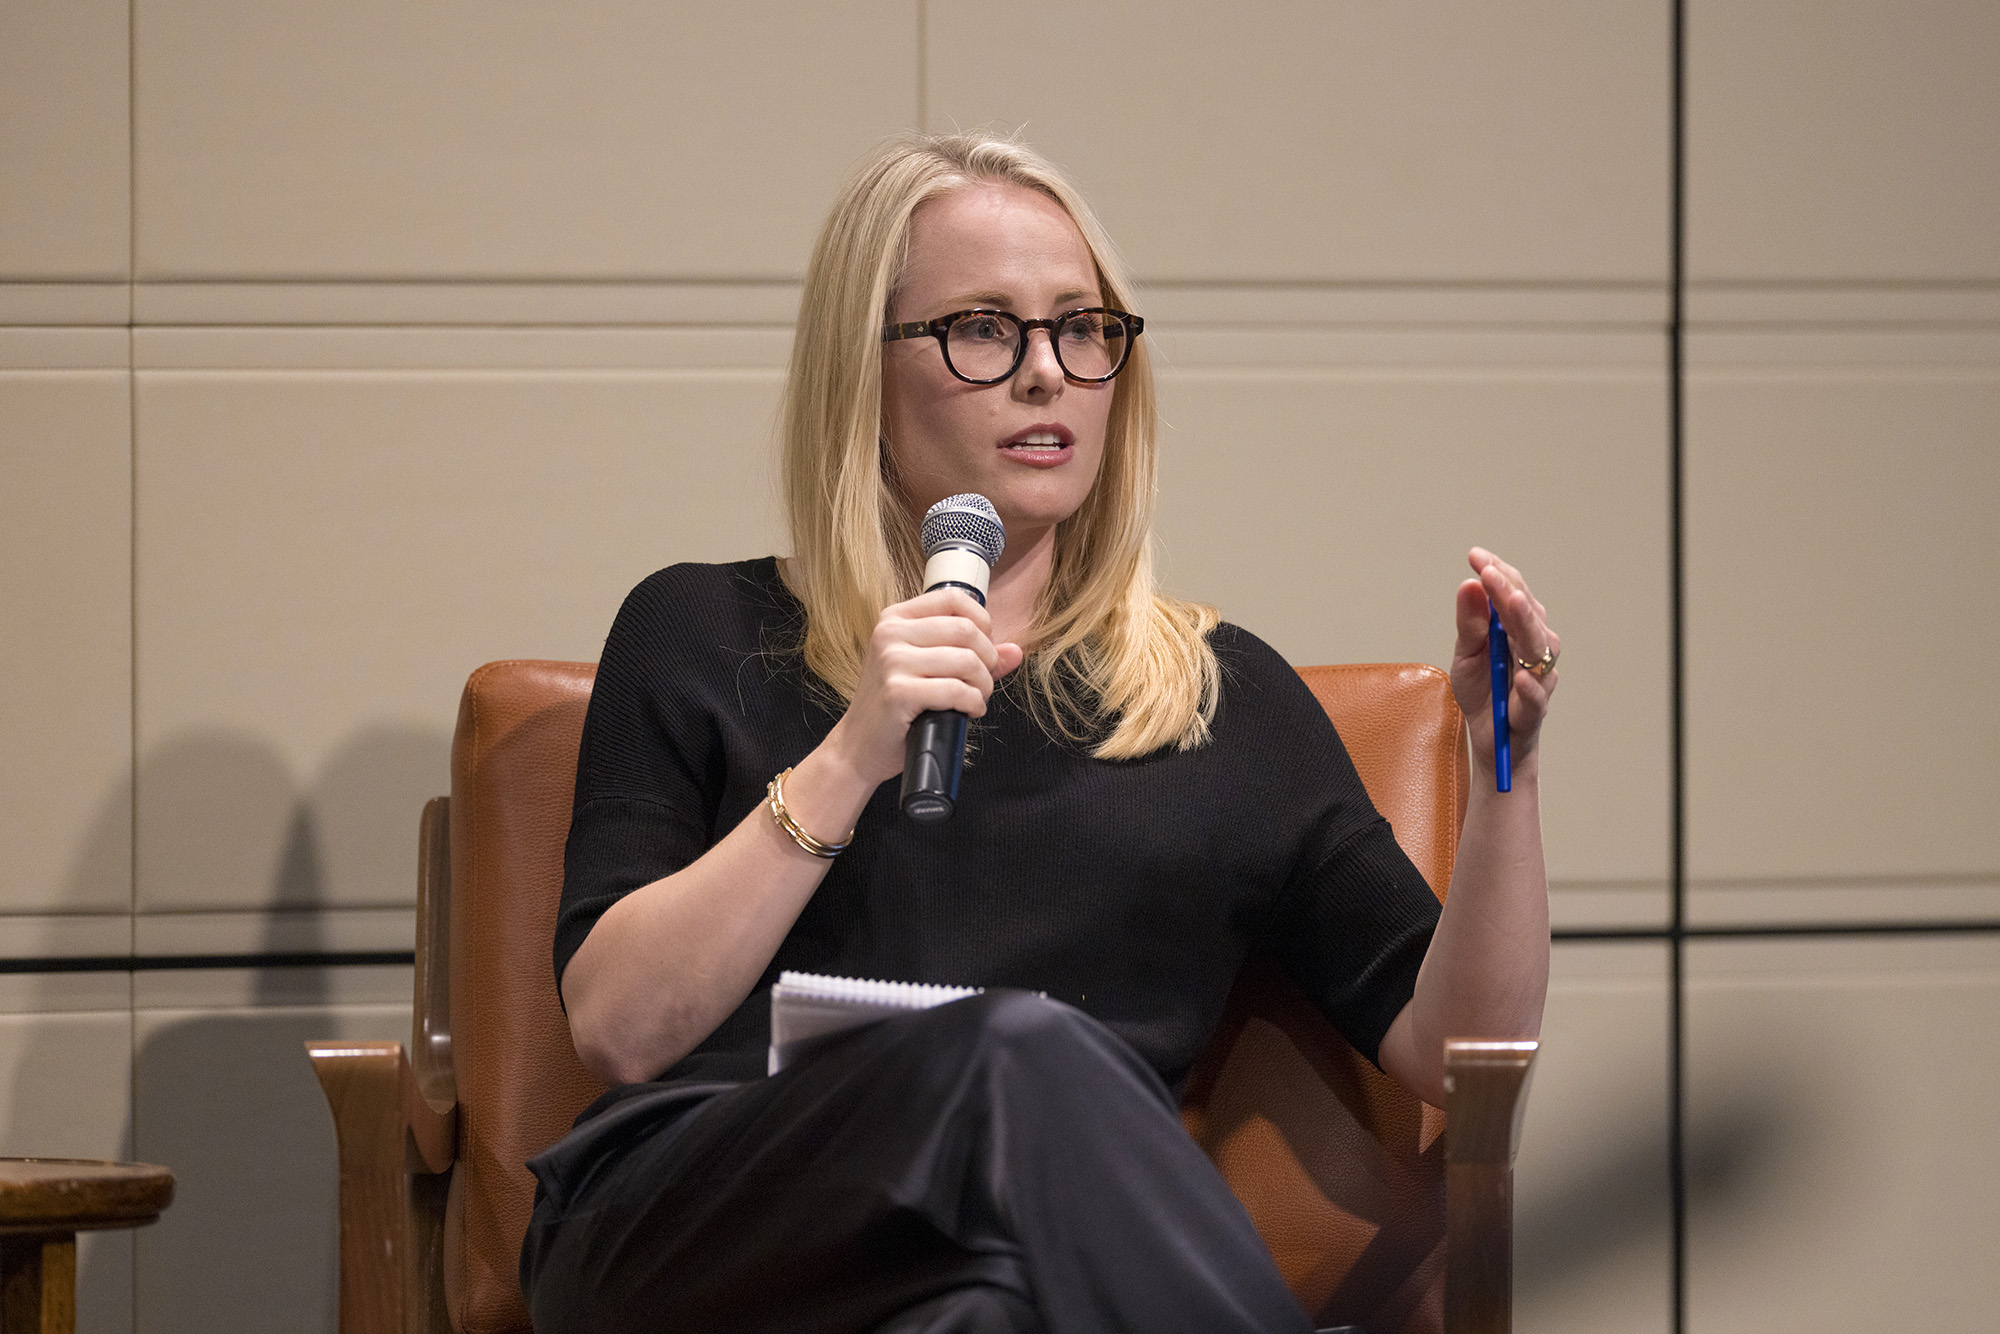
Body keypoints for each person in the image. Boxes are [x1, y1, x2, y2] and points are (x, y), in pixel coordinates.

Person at [520, 132, 1559, 1334]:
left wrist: (1506, 771)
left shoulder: (1223, 699)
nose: (1046, 373)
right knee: (1014, 1049)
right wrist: (855, 748)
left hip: (1012, 1272)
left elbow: (1461, 1048)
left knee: (983, 1311)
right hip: (690, 1227)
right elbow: (618, 1025)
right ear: (861, 371)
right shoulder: (703, 627)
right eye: (981, 327)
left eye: (1082, 327)